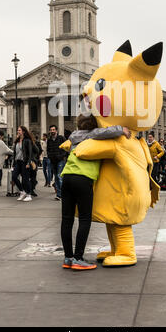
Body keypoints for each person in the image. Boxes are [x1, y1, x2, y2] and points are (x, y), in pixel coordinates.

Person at [59, 114, 131, 270]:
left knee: (67, 219)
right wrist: (122, 129)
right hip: (83, 179)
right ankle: (78, 258)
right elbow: (106, 132)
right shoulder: (93, 135)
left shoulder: (73, 136)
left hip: (66, 178)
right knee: (84, 219)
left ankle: (68, 257)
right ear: (94, 124)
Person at [12, 126, 34, 202]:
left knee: (25, 179)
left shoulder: (27, 141)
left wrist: (28, 162)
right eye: (18, 130)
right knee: (14, 176)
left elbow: (30, 153)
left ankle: (29, 194)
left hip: (25, 162)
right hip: (18, 162)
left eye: (19, 130)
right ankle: (22, 191)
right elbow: (15, 153)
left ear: (23, 131)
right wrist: (13, 163)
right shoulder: (17, 141)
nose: (18, 131)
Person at [47, 125, 67, 201]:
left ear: (56, 131)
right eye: (51, 130)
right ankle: (59, 194)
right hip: (53, 161)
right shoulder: (49, 140)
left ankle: (64, 194)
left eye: (53, 130)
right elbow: (48, 149)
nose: (52, 131)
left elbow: (66, 147)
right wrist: (50, 156)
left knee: (59, 176)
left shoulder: (61, 138)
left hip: (60, 160)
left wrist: (62, 156)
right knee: (56, 178)